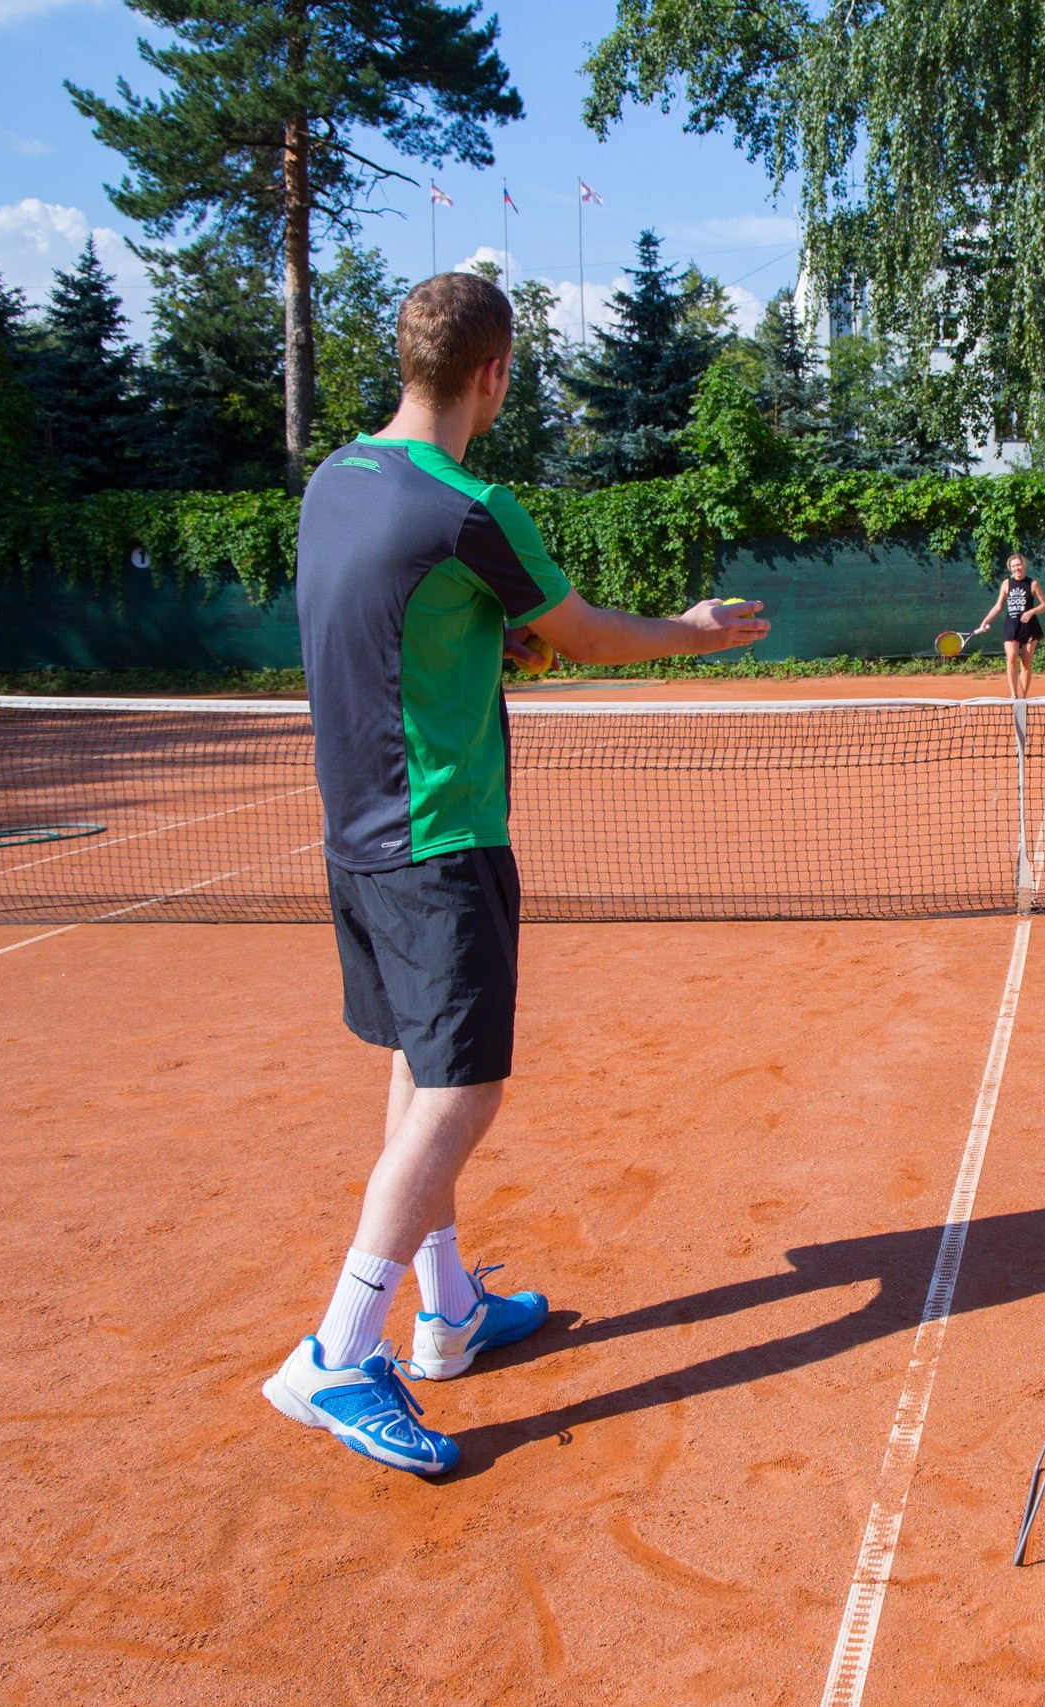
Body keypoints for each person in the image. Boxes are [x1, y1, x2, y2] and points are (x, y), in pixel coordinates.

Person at [266, 271, 769, 1477]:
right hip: (441, 837)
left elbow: (407, 621)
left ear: (408, 361)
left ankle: (447, 1314)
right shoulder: (471, 507)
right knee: (463, 1093)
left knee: (417, 1068)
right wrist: (694, 632)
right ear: (493, 376)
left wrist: (498, 644)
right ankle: (338, 1351)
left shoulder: (336, 479)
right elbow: (584, 633)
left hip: (356, 834)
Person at [973, 552, 1045, 699]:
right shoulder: (1006, 583)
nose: (1016, 568)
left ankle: (1023, 697)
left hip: (1030, 628)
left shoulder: (1033, 584)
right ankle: (1014, 695)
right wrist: (986, 621)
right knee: (1012, 658)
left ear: (1024, 565)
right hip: (1011, 627)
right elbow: (998, 606)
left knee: (1026, 664)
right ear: (1010, 568)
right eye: (1013, 566)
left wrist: (1032, 611)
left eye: (1018, 565)